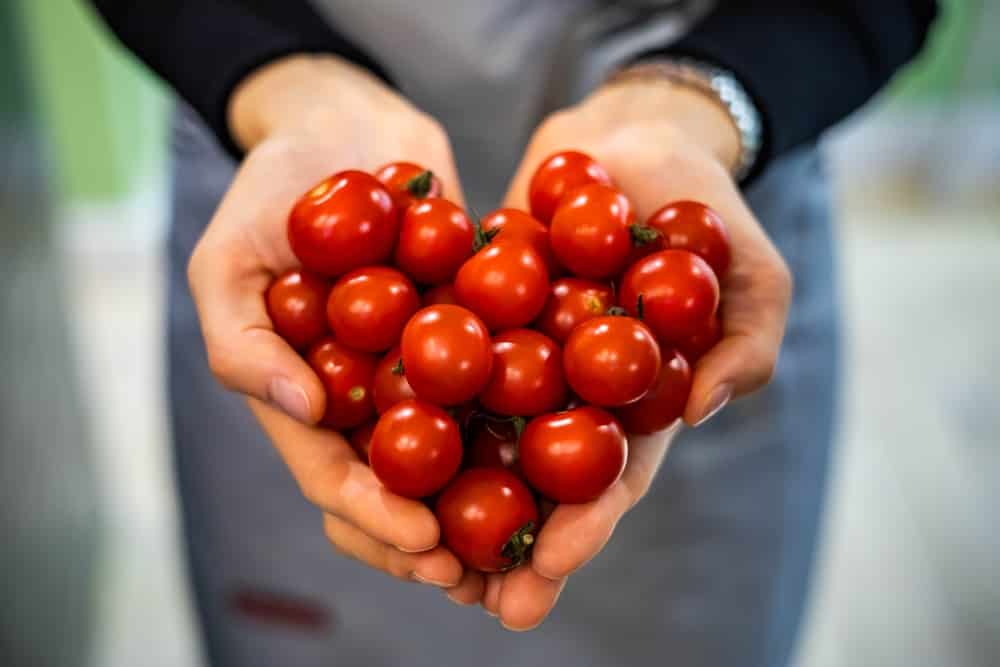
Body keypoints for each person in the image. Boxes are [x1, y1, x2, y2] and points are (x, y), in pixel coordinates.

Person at [88, 1, 936, 665]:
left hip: (705, 164)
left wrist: (707, 97)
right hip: (280, 166)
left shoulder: (644, 287)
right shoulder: (347, 277)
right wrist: (277, 79)